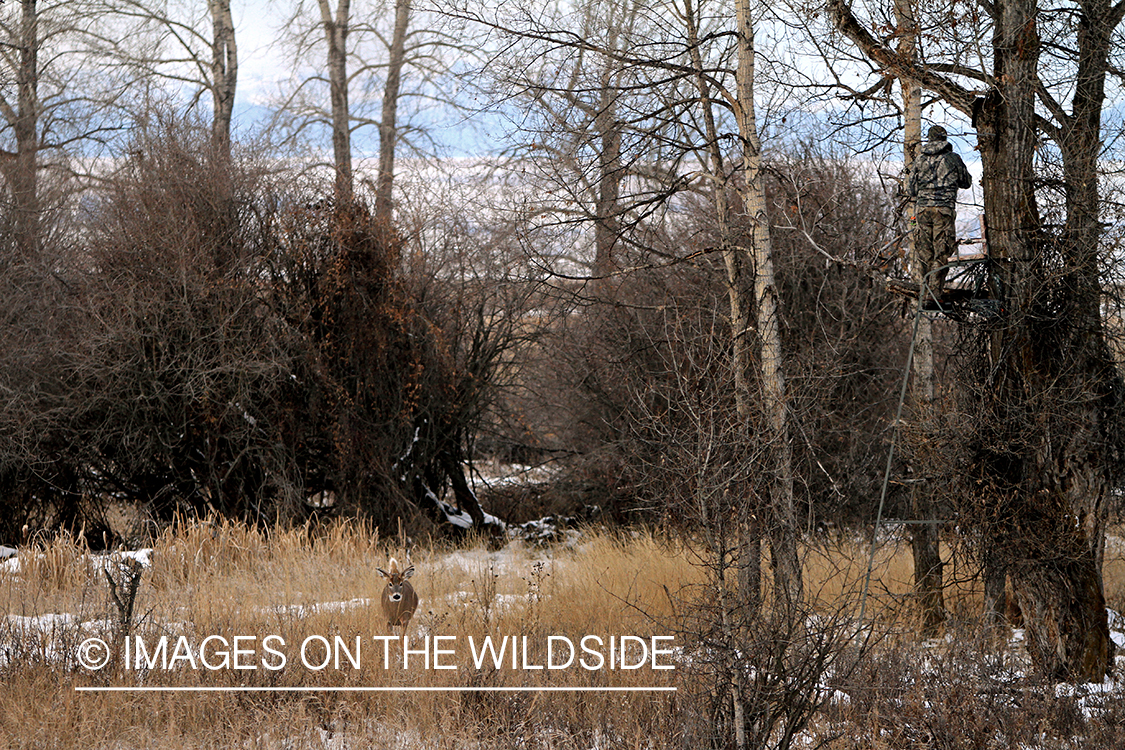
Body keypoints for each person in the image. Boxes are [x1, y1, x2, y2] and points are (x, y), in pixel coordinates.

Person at [905, 125, 972, 295]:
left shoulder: (919, 159)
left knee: (925, 251)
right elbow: (966, 182)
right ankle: (934, 294)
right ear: (944, 138)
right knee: (942, 251)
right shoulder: (952, 158)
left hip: (922, 210)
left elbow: (910, 189)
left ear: (929, 139)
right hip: (943, 210)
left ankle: (927, 292)